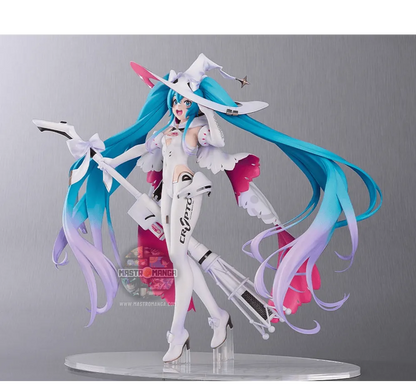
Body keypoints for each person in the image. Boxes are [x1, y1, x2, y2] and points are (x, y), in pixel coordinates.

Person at [51, 53, 382, 363]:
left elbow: (219, 140)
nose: (179, 106)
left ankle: (178, 334)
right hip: (166, 197)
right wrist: (104, 160)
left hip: (187, 192)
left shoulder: (197, 129)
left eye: (185, 101)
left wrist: (208, 109)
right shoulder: (165, 132)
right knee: (182, 258)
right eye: (176, 100)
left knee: (178, 259)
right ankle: (218, 315)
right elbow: (136, 152)